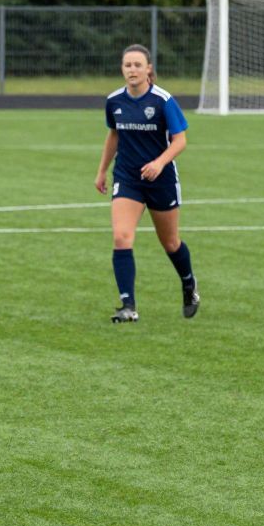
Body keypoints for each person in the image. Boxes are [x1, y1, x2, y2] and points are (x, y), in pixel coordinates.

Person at [96, 44, 200, 323]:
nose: (132, 69)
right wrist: (102, 171)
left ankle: (189, 284)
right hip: (128, 178)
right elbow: (113, 136)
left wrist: (159, 163)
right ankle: (128, 306)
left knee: (170, 242)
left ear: (148, 69)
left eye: (137, 65)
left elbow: (180, 141)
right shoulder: (114, 101)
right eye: (127, 65)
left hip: (161, 180)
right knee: (121, 237)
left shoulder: (163, 100)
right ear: (122, 68)